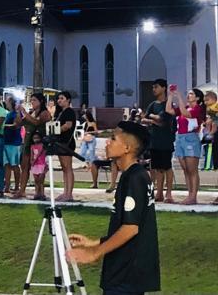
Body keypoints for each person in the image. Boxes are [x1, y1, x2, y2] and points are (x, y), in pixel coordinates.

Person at [68, 121, 160, 295]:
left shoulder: (134, 178)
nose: (107, 142)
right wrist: (93, 242)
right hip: (125, 271)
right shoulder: (132, 175)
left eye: (113, 138)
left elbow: (130, 228)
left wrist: (94, 253)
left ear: (127, 148)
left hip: (126, 274)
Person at [141, 79, 176, 203]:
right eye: (153, 87)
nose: (153, 89)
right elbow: (143, 119)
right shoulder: (152, 104)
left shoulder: (168, 104)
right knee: (157, 168)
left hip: (166, 140)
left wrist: (151, 117)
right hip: (154, 140)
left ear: (163, 88)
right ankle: (159, 193)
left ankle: (169, 194)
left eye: (156, 87)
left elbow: (162, 120)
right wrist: (152, 119)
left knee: (167, 167)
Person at [170, 87, 204, 205]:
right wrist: (171, 96)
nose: (189, 95)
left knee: (192, 169)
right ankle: (190, 194)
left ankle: (193, 196)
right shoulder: (185, 107)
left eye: (191, 94)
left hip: (190, 138)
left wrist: (179, 96)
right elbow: (169, 110)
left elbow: (186, 114)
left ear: (197, 98)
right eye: (188, 93)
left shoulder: (197, 108)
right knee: (185, 169)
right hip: (180, 138)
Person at [14, 92, 51, 199]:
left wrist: (24, 112)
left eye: (34, 100)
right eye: (31, 100)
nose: (32, 102)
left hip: (39, 144)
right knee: (25, 167)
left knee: (39, 169)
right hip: (28, 142)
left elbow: (36, 122)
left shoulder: (44, 113)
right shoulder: (31, 112)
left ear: (41, 101)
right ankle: (22, 190)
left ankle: (40, 192)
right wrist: (18, 112)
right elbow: (18, 124)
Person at [53, 91, 77, 202]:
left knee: (68, 168)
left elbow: (68, 125)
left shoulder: (69, 111)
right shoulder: (60, 112)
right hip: (60, 142)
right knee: (64, 168)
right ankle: (65, 192)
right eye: (58, 98)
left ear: (68, 100)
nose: (59, 100)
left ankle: (69, 194)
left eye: (62, 98)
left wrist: (54, 130)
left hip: (66, 143)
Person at [2, 95, 23, 194]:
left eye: (7, 101)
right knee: (7, 165)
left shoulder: (16, 114)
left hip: (14, 142)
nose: (5, 102)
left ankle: (17, 186)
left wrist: (3, 126)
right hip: (6, 141)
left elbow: (16, 125)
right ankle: (7, 186)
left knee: (14, 165)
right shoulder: (8, 113)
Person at [79, 111, 100, 188]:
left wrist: (90, 131)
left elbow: (96, 131)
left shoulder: (93, 123)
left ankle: (92, 164)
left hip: (91, 138)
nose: (84, 116)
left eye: (85, 115)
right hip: (85, 138)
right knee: (82, 153)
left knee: (91, 152)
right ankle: (88, 163)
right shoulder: (84, 124)